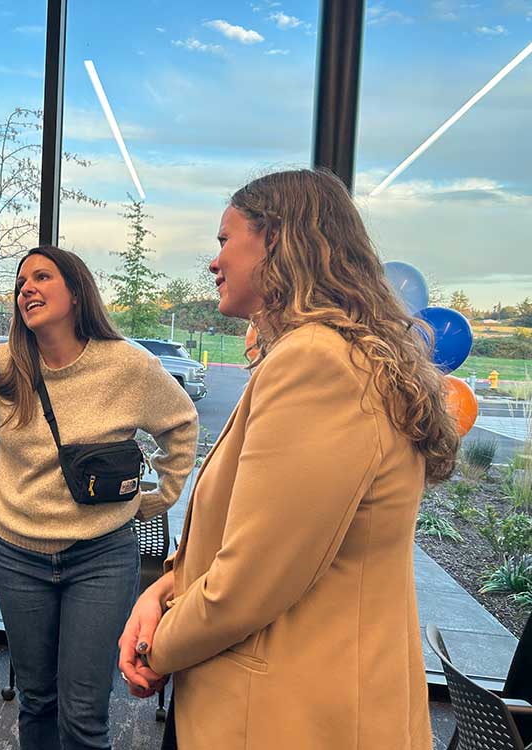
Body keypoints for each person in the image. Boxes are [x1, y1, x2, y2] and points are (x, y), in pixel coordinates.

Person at [118, 169, 459, 749]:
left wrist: (157, 647)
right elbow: (248, 536)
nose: (214, 261)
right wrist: (164, 589)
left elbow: (251, 579)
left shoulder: (317, 363)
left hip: (288, 717)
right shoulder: (335, 354)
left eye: (225, 240)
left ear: (275, 239)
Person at [0, 245, 198, 750]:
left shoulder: (127, 365)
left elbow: (182, 424)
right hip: (19, 557)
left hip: (101, 556)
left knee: (84, 713)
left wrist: (160, 497)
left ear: (77, 292)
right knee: (37, 701)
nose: (27, 289)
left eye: (42, 277)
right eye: (21, 283)